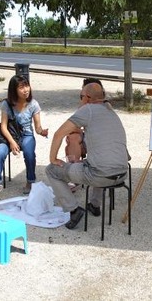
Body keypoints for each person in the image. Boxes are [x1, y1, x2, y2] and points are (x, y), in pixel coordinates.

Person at [46, 81, 128, 229]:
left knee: (51, 170)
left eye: (81, 96)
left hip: (99, 175)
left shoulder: (88, 110)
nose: (80, 99)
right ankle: (94, 205)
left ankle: (73, 210)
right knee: (98, 161)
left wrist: (53, 159)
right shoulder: (111, 110)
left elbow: (59, 134)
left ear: (87, 98)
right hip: (122, 174)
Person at [0, 75, 48, 198]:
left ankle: (30, 181)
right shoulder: (7, 104)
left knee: (29, 153)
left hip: (26, 135)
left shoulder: (33, 104)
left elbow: (37, 127)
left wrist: (42, 132)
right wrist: (12, 142)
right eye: (21, 87)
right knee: (0, 153)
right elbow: (3, 126)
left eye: (27, 86)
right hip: (9, 135)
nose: (26, 90)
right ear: (14, 90)